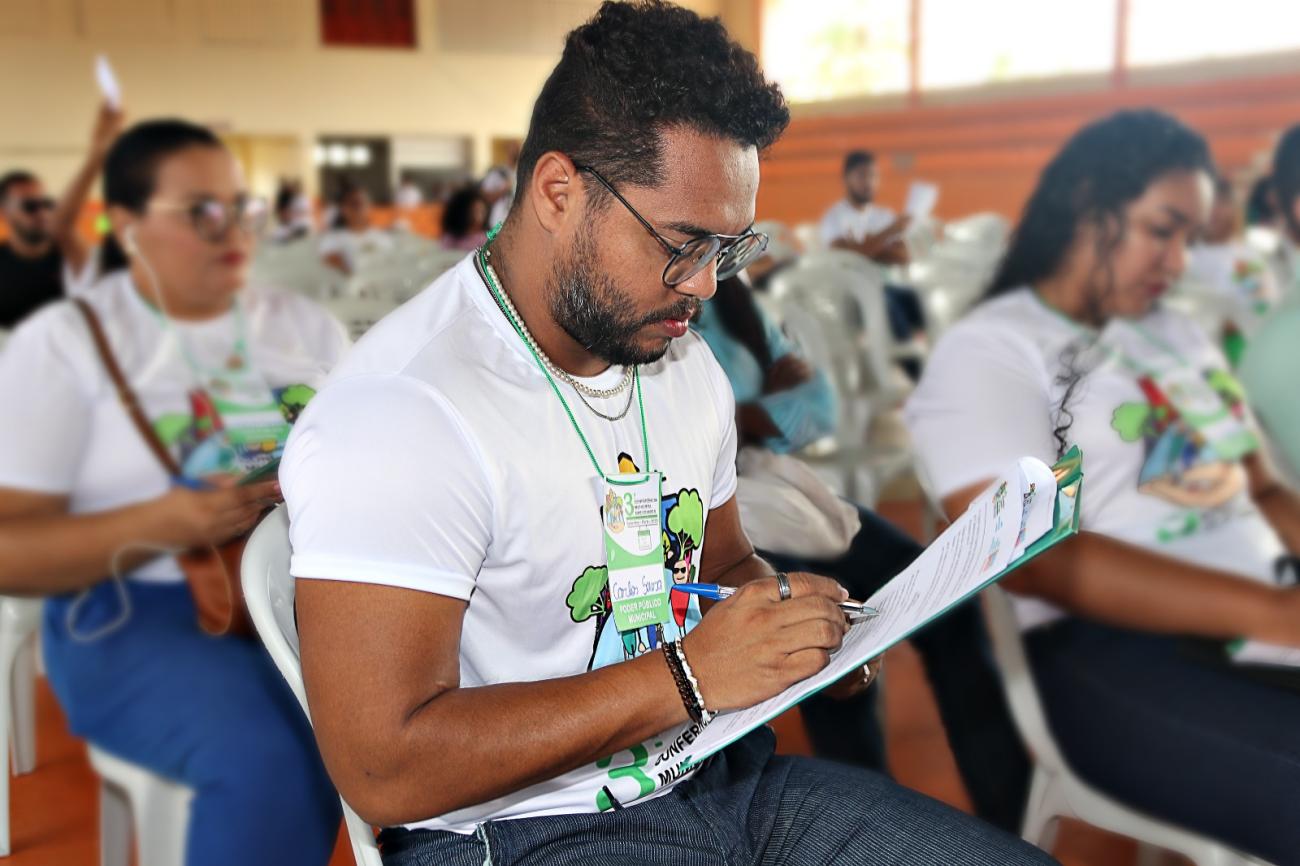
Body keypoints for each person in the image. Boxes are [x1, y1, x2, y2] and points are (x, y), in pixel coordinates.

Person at [281, 4, 1052, 865]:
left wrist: (794, 627)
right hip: (524, 831)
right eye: (683, 243)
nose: (706, 285)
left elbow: (722, 563)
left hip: (721, 777)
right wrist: (688, 676)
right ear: (558, 192)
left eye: (729, 248)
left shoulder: (682, 364)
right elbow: (384, 768)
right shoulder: (403, 412)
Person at [906, 109, 1300, 865]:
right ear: (1090, 210)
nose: (1179, 262)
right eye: (1163, 230)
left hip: (1262, 602)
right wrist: (1278, 613)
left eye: (1190, 237)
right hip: (1109, 648)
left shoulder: (1175, 332)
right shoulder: (991, 350)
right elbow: (1034, 558)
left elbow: (1264, 492)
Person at [0, 119, 348, 865]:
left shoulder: (303, 326)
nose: (233, 230)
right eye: (201, 212)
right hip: (134, 620)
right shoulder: (64, 345)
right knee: (279, 754)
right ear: (126, 225)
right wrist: (160, 522)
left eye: (241, 207)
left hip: (320, 599)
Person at [693, 274, 1030, 831]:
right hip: (712, 523)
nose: (717, 262)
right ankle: (867, 829)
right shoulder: (656, 314)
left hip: (785, 498)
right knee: (826, 649)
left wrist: (751, 419)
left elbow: (820, 406)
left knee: (950, 607)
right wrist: (756, 409)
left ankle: (1009, 817)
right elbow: (694, 439)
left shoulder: (730, 297)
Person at [0, 102, 122, 328]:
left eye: (47, 204)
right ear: (4, 213)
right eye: (29, 206)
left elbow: (63, 226)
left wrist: (99, 151)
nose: (42, 212)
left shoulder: (69, 255)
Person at [819, 150, 926, 362]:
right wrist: (889, 233)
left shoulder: (883, 215)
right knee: (889, 308)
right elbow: (843, 258)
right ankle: (915, 371)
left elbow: (903, 256)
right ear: (846, 178)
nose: (868, 182)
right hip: (853, 293)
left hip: (887, 285)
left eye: (873, 175)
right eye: (861, 175)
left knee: (925, 303)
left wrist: (864, 247)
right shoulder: (834, 217)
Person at [1184, 174, 1278, 363]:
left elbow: (1264, 308)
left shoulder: (1250, 257)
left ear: (1235, 207)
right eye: (1208, 203)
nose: (1214, 211)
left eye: (1222, 202)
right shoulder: (1181, 259)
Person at [318, 182, 393, 274]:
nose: (359, 208)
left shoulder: (382, 237)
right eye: (354, 204)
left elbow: (389, 265)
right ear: (344, 209)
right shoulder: (333, 239)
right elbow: (335, 266)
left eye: (363, 203)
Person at [438, 184, 488, 251]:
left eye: (482, 211)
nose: (481, 216)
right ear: (462, 212)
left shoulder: (485, 239)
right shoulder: (450, 238)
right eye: (475, 211)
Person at [269, 179, 313, 244]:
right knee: (279, 232)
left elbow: (305, 212)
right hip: (292, 223)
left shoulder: (304, 199)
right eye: (293, 188)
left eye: (295, 188)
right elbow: (288, 210)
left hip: (301, 223)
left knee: (289, 233)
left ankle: (290, 236)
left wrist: (293, 214)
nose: (294, 190)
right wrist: (287, 214)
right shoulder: (292, 199)